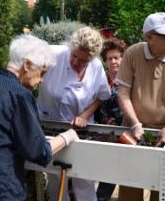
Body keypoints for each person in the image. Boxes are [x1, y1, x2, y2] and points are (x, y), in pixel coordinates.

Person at [0, 34, 79, 201]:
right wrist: (67, 136)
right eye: (42, 73)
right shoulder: (20, 95)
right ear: (27, 65)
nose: (42, 81)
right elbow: (38, 152)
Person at [115, 12, 165, 201]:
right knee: (131, 182)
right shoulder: (133, 53)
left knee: (163, 188)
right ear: (149, 37)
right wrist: (135, 124)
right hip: (133, 131)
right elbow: (123, 93)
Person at [37, 27, 111, 201]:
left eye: (83, 60)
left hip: (81, 129)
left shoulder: (96, 66)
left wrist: (85, 115)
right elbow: (27, 69)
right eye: (74, 56)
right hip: (51, 125)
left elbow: (101, 96)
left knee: (84, 177)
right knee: (55, 175)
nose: (76, 62)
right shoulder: (53, 54)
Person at [94, 38, 127, 201]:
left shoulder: (129, 79)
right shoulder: (100, 78)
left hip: (122, 132)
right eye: (109, 58)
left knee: (112, 168)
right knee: (99, 166)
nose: (113, 61)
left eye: (116, 57)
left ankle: (101, 198)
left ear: (122, 58)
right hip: (101, 130)